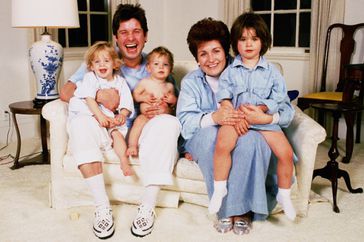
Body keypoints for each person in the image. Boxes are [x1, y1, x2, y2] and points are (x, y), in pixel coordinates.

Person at [61, 3, 181, 239]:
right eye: (124, 32)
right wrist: (99, 95)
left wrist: (163, 105)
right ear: (116, 37)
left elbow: (174, 103)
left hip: (142, 131)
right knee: (79, 124)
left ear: (145, 36)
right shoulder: (102, 61)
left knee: (169, 124)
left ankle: (147, 207)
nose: (130, 38)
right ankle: (102, 207)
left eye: (136, 31)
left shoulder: (156, 63)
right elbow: (66, 92)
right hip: (106, 127)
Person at [176, 17, 275, 236]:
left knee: (251, 140)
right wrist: (215, 117)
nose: (211, 59)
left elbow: (266, 104)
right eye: (203, 54)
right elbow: (185, 122)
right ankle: (225, 210)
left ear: (226, 52)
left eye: (216, 51)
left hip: (243, 130)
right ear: (197, 58)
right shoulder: (191, 82)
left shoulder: (244, 72)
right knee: (214, 138)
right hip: (202, 134)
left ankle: (242, 212)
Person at [209, 12, 296, 221]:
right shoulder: (230, 71)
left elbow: (279, 97)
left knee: (286, 153)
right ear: (235, 43)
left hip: (263, 121)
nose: (248, 44)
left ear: (263, 42)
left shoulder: (272, 72)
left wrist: (264, 110)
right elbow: (224, 95)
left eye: (254, 39)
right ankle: (219, 189)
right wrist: (231, 112)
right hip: (237, 119)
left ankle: (284, 194)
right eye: (243, 39)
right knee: (222, 144)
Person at [68, 41, 134, 177]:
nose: (102, 65)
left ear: (115, 64)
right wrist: (100, 116)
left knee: (117, 134)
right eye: (97, 62)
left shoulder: (120, 81)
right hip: (93, 114)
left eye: (106, 61)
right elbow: (89, 99)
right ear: (91, 66)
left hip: (109, 118)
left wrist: (122, 114)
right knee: (79, 108)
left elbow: (126, 101)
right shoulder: (90, 78)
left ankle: (123, 160)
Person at [127, 46, 177, 156]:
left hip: (162, 117)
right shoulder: (145, 82)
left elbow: (174, 104)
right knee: (138, 122)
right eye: (156, 64)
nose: (161, 67)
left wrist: (172, 99)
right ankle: (132, 145)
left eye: (165, 64)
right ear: (148, 68)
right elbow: (135, 95)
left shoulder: (169, 86)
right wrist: (143, 98)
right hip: (146, 116)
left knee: (172, 125)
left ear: (171, 69)